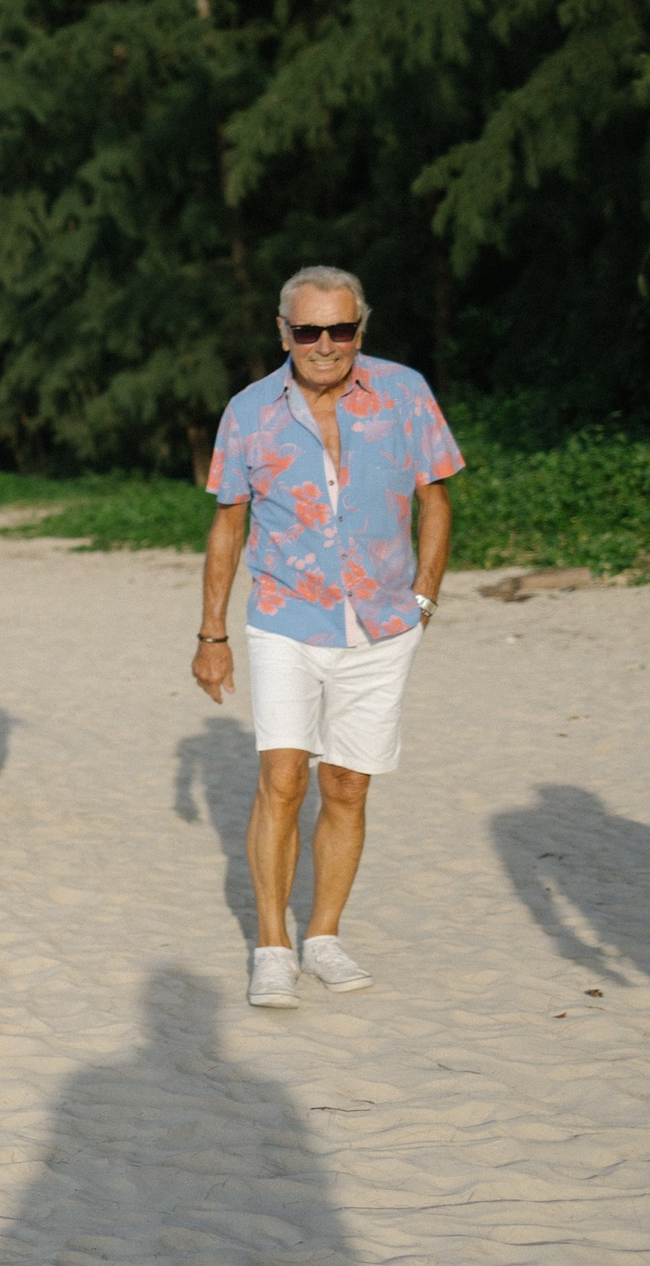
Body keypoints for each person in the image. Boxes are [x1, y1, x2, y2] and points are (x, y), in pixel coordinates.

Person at [193, 265, 459, 1009]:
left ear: (359, 330)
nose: (324, 344)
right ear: (284, 333)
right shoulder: (249, 412)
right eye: (308, 331)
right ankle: (272, 946)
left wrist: (425, 598)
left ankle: (325, 934)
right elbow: (227, 525)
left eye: (340, 329)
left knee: (347, 782)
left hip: (382, 620)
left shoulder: (404, 393)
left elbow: (435, 500)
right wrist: (211, 632)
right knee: (284, 776)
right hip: (286, 616)